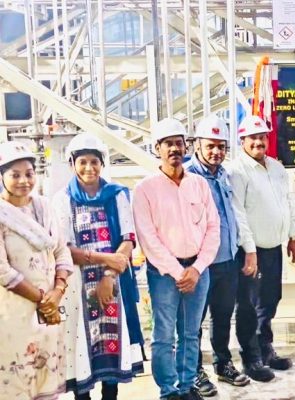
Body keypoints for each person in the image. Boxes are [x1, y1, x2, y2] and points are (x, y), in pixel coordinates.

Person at [133, 118, 220, 400]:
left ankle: (186, 386)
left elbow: (213, 228)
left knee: (191, 333)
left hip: (198, 270)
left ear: (186, 147)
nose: (174, 149)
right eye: (168, 144)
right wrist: (177, 271)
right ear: (157, 148)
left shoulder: (199, 184)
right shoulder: (145, 189)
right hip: (163, 273)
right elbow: (148, 237)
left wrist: (196, 268)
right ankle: (168, 390)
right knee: (163, 335)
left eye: (179, 143)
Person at [52, 133, 144, 400]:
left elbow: (128, 239)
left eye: (94, 161)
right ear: (72, 164)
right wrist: (106, 259)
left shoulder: (117, 195)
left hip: (113, 287)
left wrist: (109, 276)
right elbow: (64, 249)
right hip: (78, 288)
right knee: (82, 346)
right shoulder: (62, 200)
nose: (89, 168)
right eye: (82, 162)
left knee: (111, 351)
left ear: (102, 163)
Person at [0, 141, 74, 399]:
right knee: (17, 380)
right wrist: (44, 300)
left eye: (29, 174)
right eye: (15, 175)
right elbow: (2, 270)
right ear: (2, 176)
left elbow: (61, 251)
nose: (24, 181)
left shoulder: (44, 207)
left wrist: (58, 291)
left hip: (49, 312)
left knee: (47, 378)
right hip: (14, 312)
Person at [229, 115, 295, 380]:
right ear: (242, 141)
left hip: (273, 247)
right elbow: (238, 213)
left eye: (262, 137)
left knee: (270, 299)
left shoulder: (276, 168)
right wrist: (249, 250)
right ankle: (252, 359)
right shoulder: (237, 171)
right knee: (249, 305)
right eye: (252, 138)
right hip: (250, 251)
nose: (258, 142)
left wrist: (292, 236)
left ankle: (266, 349)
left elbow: (286, 203)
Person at [185, 115, 250, 396]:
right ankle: (194, 370)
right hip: (200, 263)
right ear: (197, 145)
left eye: (221, 146)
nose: (216, 152)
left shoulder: (224, 174)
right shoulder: (187, 176)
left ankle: (223, 364)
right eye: (210, 146)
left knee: (223, 316)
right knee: (193, 322)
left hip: (227, 259)